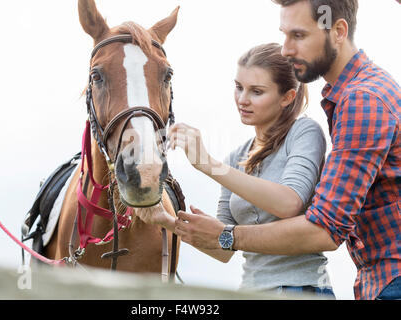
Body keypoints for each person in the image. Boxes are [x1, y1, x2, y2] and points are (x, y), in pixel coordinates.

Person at [167, 0, 400, 300]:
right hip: (378, 279)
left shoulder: (361, 100)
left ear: (338, 31)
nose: (286, 49)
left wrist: (227, 235)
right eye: (284, 34)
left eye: (299, 36)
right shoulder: (353, 97)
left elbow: (325, 230)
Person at [136, 42, 336, 297]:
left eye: (257, 91)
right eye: (239, 87)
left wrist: (208, 165)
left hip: (300, 289)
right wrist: (164, 219)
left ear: (288, 97)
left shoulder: (304, 132)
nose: (243, 100)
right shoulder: (236, 157)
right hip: (250, 291)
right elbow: (222, 247)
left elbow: (289, 202)